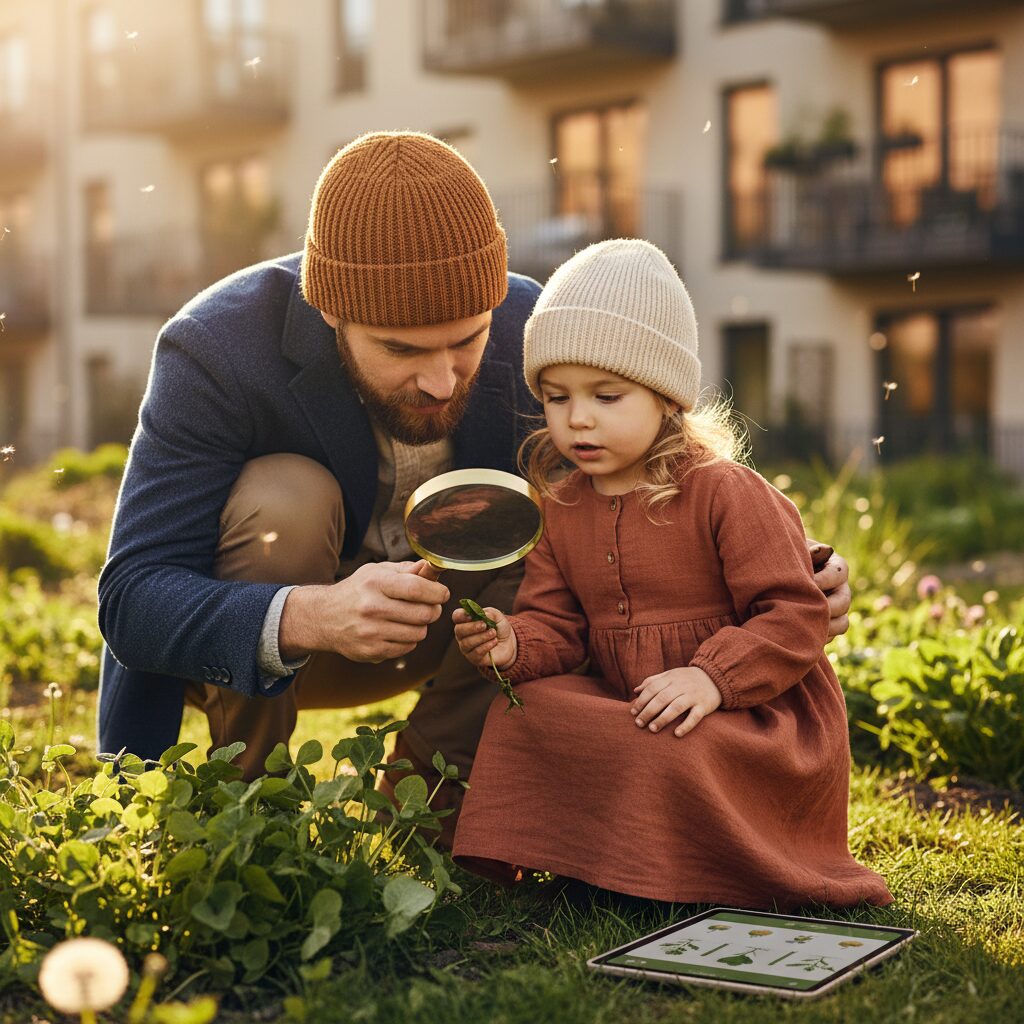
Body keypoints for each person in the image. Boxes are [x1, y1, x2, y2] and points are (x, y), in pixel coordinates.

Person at [97, 132, 853, 846]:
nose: (441, 379)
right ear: (329, 310)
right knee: (285, 499)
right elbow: (132, 597)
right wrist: (312, 614)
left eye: (468, 339)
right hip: (266, 650)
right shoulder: (217, 347)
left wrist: (781, 565)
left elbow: (653, 473)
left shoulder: (538, 329)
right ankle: (249, 813)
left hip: (469, 638)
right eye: (401, 349)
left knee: (550, 524)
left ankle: (426, 809)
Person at [452, 239, 892, 909]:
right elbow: (558, 626)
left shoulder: (722, 490)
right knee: (526, 713)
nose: (578, 418)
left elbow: (795, 613)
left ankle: (665, 875)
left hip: (749, 711)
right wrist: (515, 642)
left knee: (671, 745)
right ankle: (592, 863)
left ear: (666, 398)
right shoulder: (563, 507)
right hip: (632, 704)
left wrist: (711, 678)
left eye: (607, 395)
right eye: (557, 397)